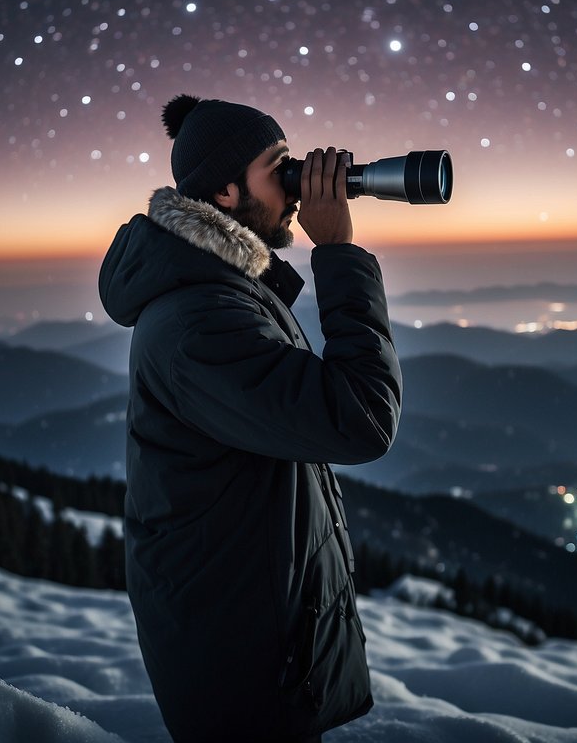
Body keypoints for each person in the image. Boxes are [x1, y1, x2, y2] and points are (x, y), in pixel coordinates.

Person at [98, 94, 402, 743]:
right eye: (280, 167)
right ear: (229, 193)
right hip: (241, 662)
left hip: (252, 634)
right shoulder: (201, 320)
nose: (296, 185)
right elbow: (360, 419)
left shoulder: (224, 288)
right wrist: (339, 252)